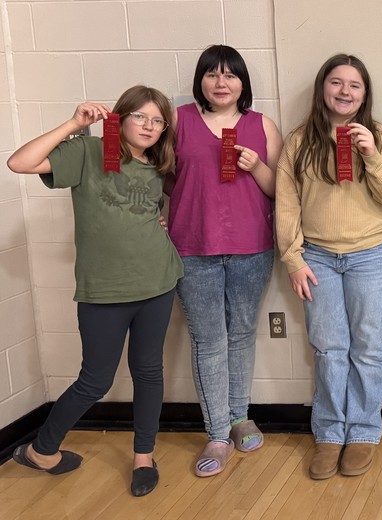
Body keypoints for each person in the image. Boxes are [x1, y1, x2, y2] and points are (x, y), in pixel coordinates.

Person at [7, 86, 182, 497]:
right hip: (103, 292)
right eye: (141, 116)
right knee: (95, 380)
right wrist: (74, 124)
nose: (150, 126)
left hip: (158, 283)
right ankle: (41, 450)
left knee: (148, 371)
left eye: (158, 121)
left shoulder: (158, 168)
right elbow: (20, 162)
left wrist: (163, 223)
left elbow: (166, 208)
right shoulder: (86, 152)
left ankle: (144, 455)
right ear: (119, 118)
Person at [275, 54, 382, 480]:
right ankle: (330, 432)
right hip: (317, 258)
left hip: (371, 254)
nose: (345, 92)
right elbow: (286, 202)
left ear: (365, 93)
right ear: (323, 89)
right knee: (329, 349)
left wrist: (370, 153)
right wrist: (292, 258)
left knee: (368, 349)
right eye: (337, 83)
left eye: (354, 85)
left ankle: (364, 432)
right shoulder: (300, 140)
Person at [167, 44, 283, 478]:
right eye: (212, 75)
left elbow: (279, 190)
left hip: (252, 247)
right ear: (201, 81)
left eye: (230, 75)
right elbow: (162, 176)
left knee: (241, 335)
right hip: (193, 247)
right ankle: (216, 433)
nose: (221, 83)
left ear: (242, 82)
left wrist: (255, 167)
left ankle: (238, 417)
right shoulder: (179, 120)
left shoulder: (263, 126)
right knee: (208, 341)